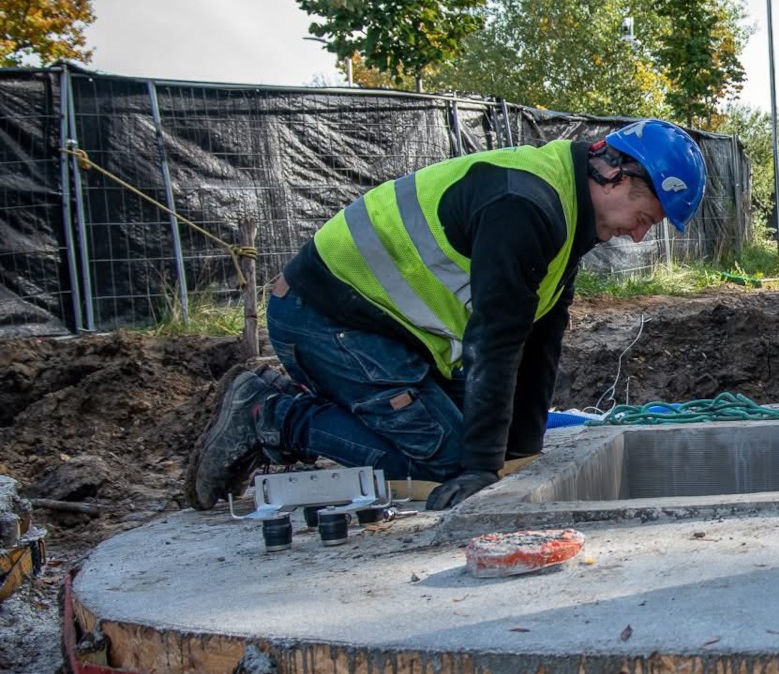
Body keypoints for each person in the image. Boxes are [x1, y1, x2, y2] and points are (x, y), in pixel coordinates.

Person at [186, 119, 706, 512]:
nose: (639, 235)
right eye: (645, 218)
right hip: (322, 319)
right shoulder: (525, 204)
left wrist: (521, 450)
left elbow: (542, 335)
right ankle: (271, 414)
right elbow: (495, 340)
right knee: (449, 462)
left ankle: (334, 411)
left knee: (478, 441)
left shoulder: (571, 212)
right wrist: (480, 467)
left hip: (385, 331)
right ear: (616, 175)